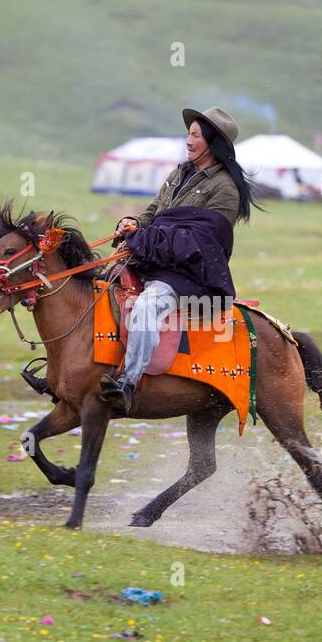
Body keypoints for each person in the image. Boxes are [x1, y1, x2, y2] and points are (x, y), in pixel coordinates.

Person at [100, 106, 260, 415]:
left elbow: (198, 242)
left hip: (189, 274)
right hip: (154, 258)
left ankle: (128, 383)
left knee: (147, 305)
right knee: (99, 290)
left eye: (195, 135)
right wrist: (133, 224)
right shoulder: (178, 174)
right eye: (189, 133)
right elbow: (154, 213)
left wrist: (146, 241)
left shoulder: (225, 189)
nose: (188, 141)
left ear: (213, 143)